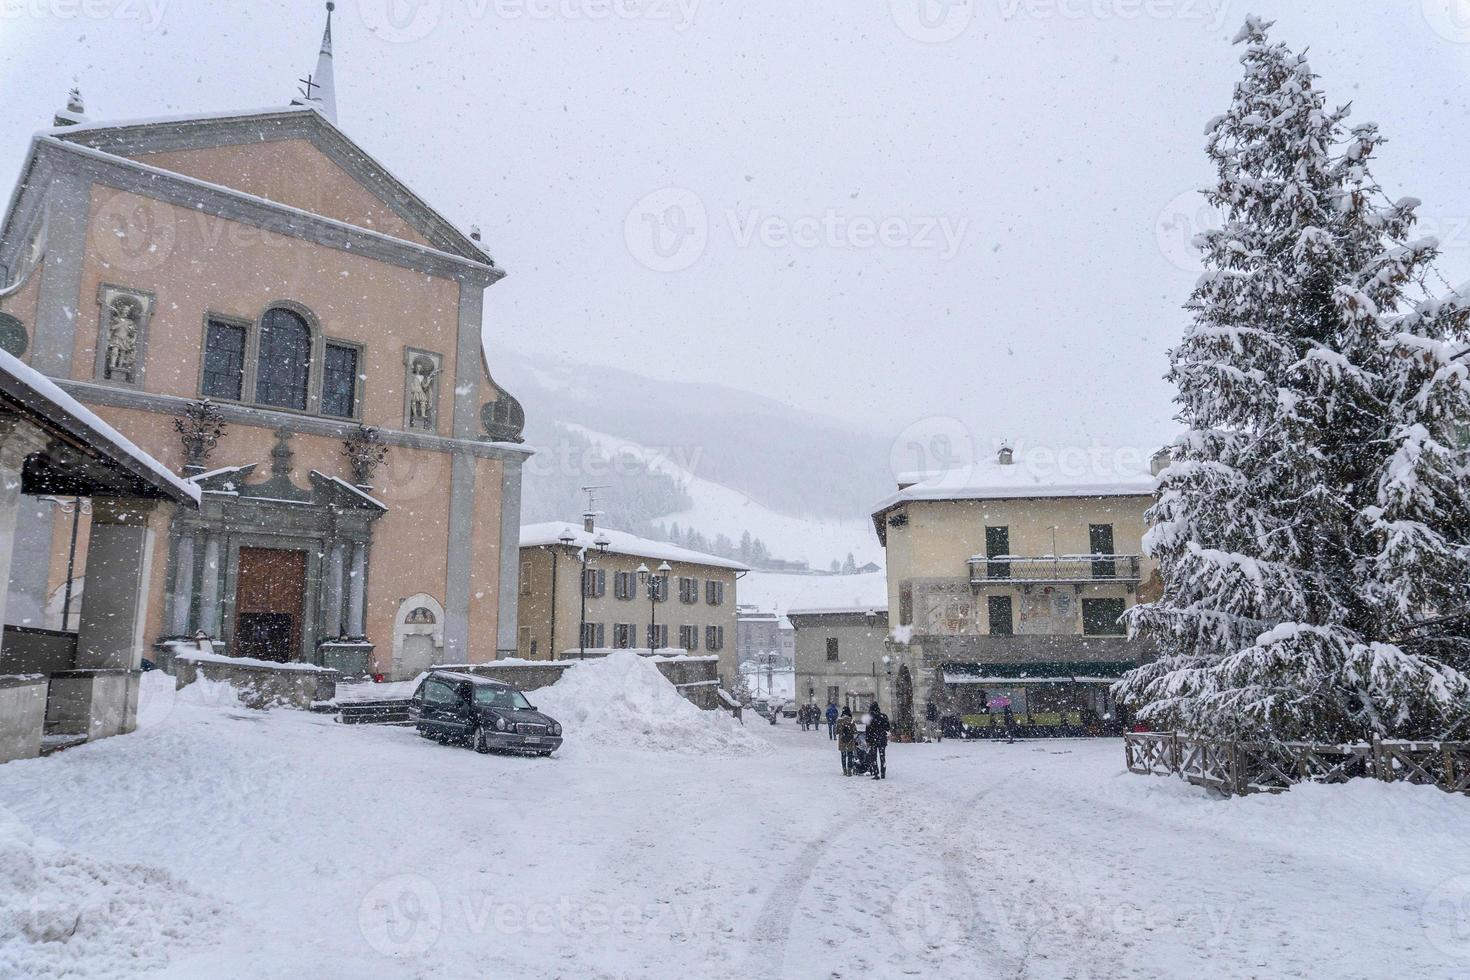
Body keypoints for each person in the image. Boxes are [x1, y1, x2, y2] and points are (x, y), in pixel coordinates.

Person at [867, 701, 891, 780]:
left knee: (873, 757)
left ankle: (876, 773)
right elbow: (887, 728)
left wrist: (868, 740)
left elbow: (867, 730)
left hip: (872, 740)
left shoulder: (870, 717)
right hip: (882, 739)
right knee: (882, 756)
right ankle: (883, 772)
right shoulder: (884, 716)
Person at [836, 707, 857, 776]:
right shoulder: (851, 720)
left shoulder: (839, 720)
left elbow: (837, 732)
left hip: (842, 740)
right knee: (850, 755)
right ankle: (849, 770)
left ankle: (844, 770)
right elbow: (855, 731)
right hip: (850, 740)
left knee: (843, 756)